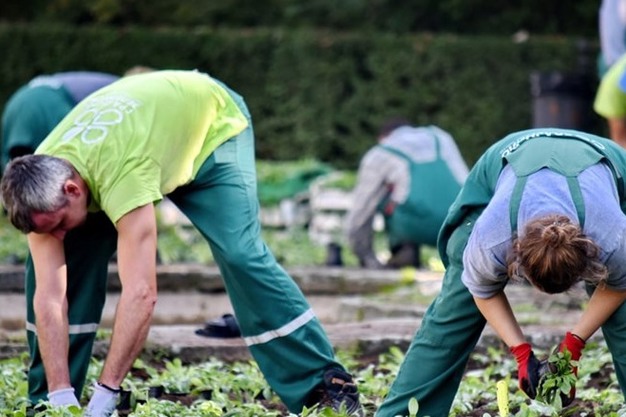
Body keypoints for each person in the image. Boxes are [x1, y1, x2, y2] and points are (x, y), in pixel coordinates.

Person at [0, 70, 362, 416]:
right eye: (47, 230)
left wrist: (108, 392)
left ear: (72, 189)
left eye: (60, 224)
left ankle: (323, 385)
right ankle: (49, 402)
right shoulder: (36, 182)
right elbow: (48, 298)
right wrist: (59, 393)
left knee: (241, 255)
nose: (57, 236)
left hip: (210, 127)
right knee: (71, 260)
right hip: (145, 136)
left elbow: (141, 292)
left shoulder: (123, 172)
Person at [375, 128, 626, 417]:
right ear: (514, 255)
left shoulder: (612, 235)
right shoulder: (493, 236)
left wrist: (573, 345)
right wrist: (521, 352)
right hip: (508, 159)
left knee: (623, 312)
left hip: (609, 164)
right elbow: (482, 289)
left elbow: (620, 285)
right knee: (457, 300)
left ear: (591, 253)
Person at [344, 120, 468, 269]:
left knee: (385, 195)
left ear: (383, 137)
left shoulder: (380, 153)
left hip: (417, 225)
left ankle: (404, 251)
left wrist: (363, 254)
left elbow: (361, 210)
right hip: (460, 222)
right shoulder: (441, 138)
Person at [1, 71, 119, 173]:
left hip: (16, 102)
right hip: (49, 102)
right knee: (74, 159)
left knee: (14, 172)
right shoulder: (118, 85)